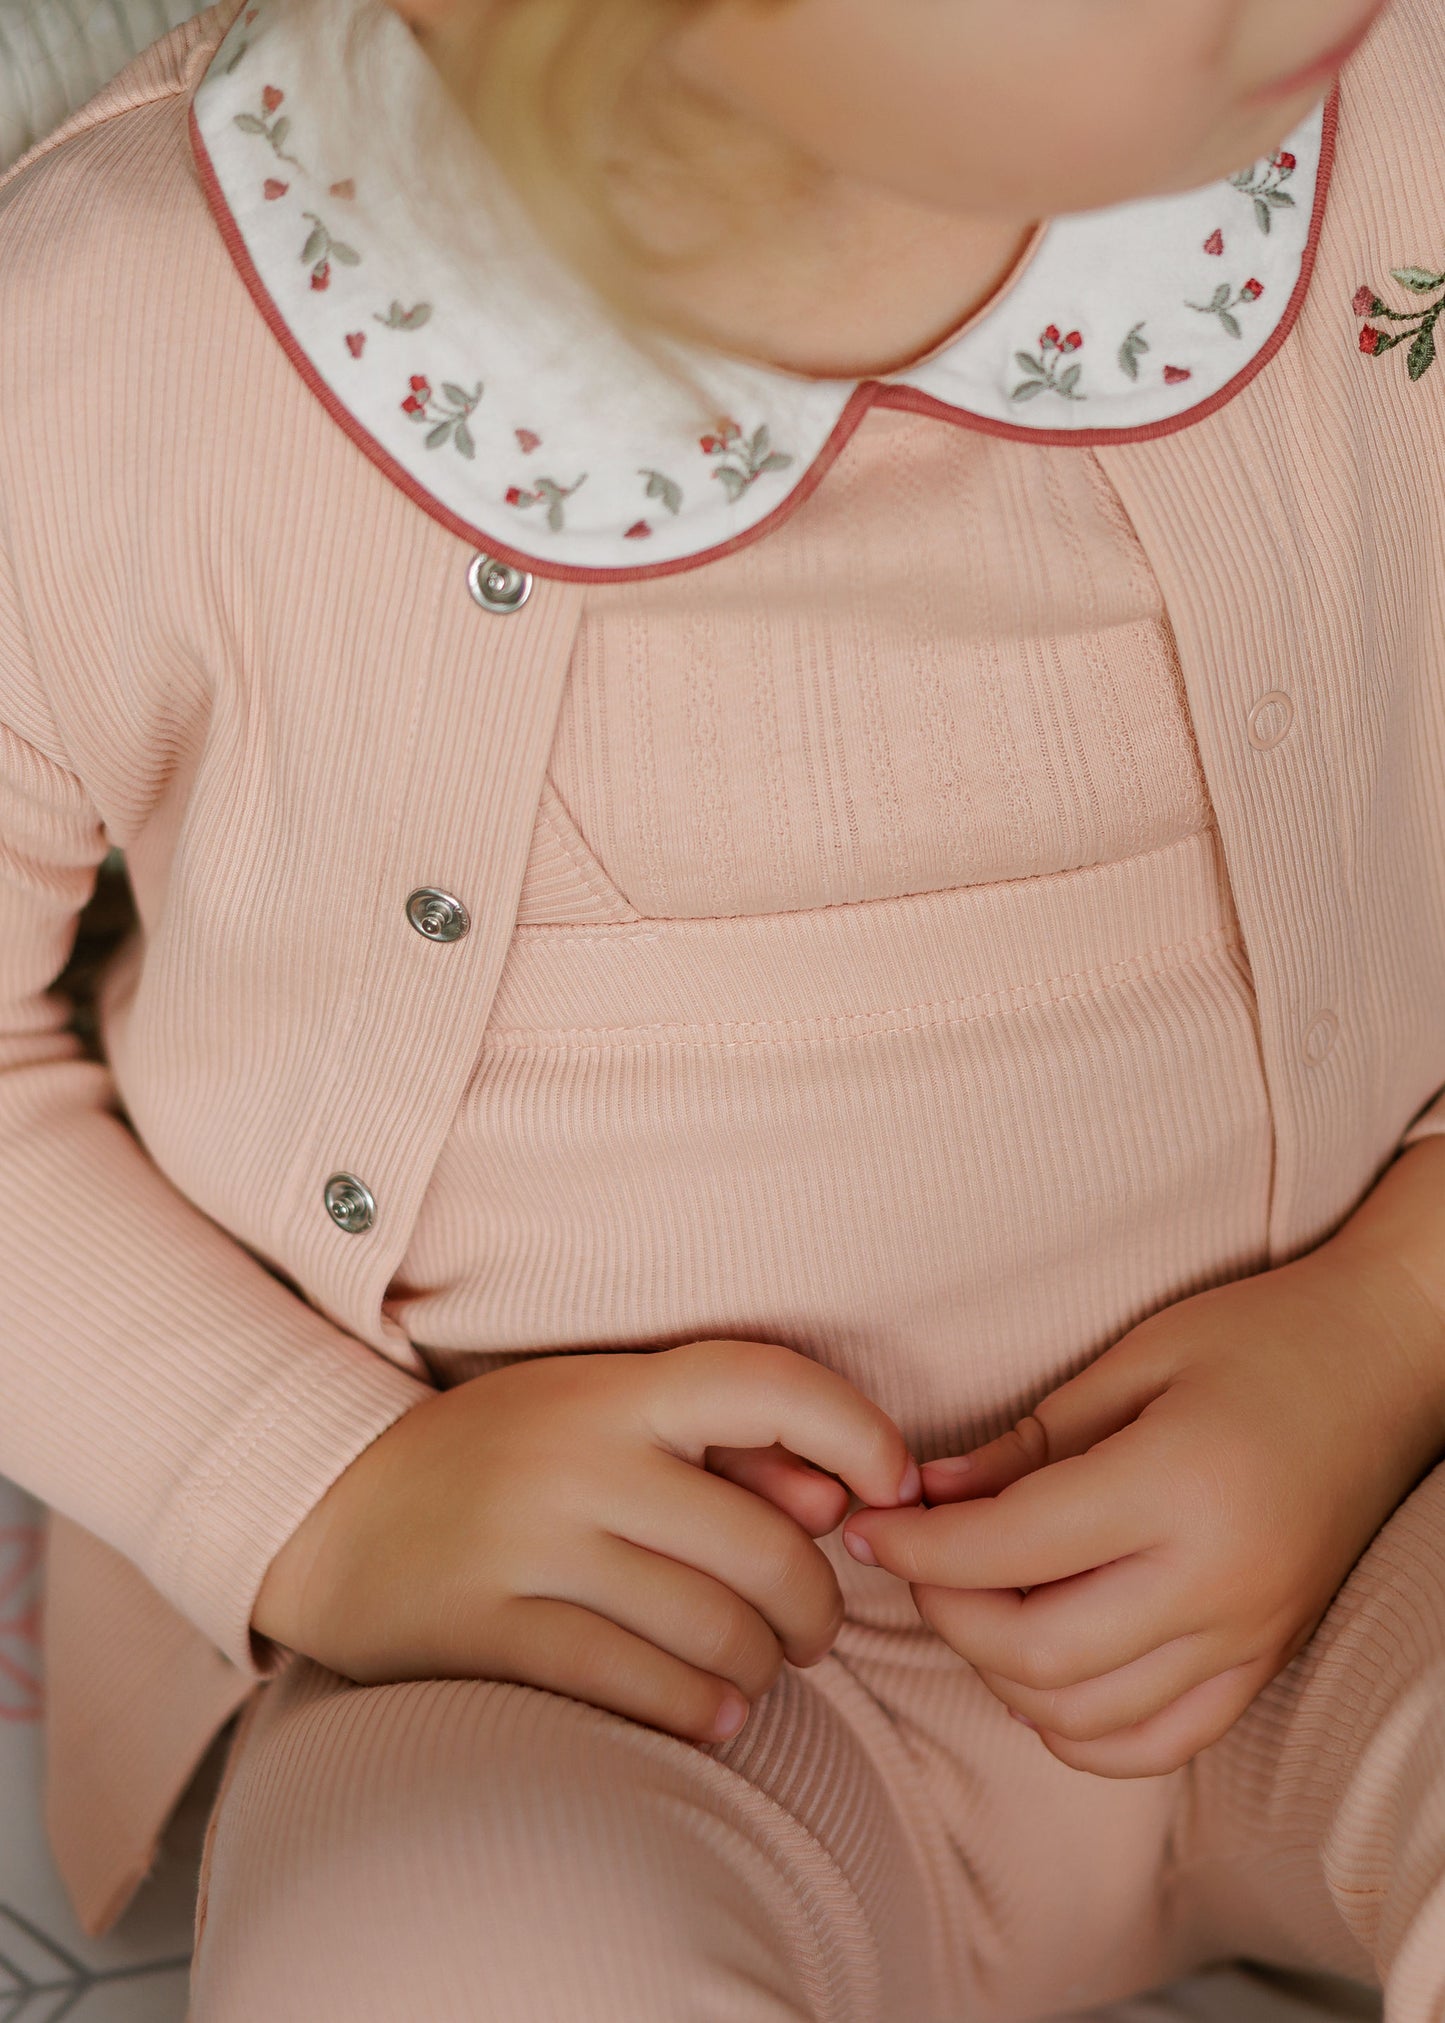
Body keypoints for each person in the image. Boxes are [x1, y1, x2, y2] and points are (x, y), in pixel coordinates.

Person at [1, 0, 1443, 2013]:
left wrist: (1388, 1327)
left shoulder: (1394, 133)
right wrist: (322, 1494)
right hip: (600, 1679)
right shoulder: (146, 336)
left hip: (1384, 1530)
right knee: (442, 1959)